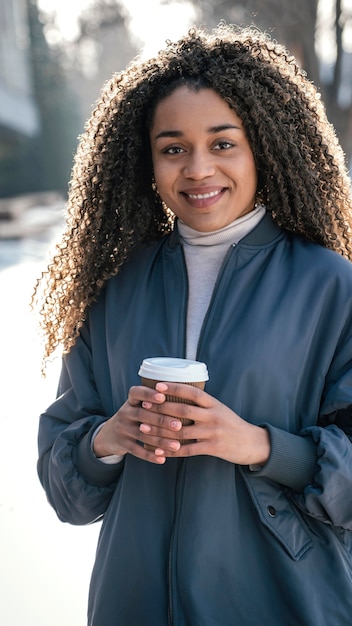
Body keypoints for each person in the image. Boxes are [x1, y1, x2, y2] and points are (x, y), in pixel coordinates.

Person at [33, 23, 352, 626]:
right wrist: (108, 438)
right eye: (173, 147)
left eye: (223, 143)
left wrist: (257, 445)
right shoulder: (112, 289)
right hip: (134, 605)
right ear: (146, 160)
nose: (199, 169)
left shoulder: (332, 287)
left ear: (264, 147)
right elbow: (64, 486)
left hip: (283, 601)